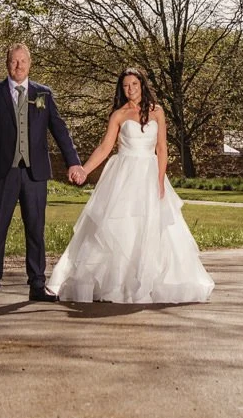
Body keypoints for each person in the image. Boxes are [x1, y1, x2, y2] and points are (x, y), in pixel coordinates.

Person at [45, 66, 215, 303]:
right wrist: (84, 169)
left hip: (149, 174)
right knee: (120, 225)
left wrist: (160, 179)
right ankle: (116, 284)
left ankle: (150, 281)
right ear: (121, 89)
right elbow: (105, 148)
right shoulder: (119, 115)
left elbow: (162, 148)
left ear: (142, 85)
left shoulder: (158, 112)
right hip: (123, 175)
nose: (130, 89)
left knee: (151, 227)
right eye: (126, 85)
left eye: (134, 84)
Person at [0, 41, 85, 305]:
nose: (18, 66)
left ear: (29, 64)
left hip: (35, 175)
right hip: (2, 173)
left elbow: (60, 130)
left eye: (23, 61)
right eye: (13, 61)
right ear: (7, 63)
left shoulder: (43, 94)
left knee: (36, 230)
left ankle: (37, 284)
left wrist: (74, 162)